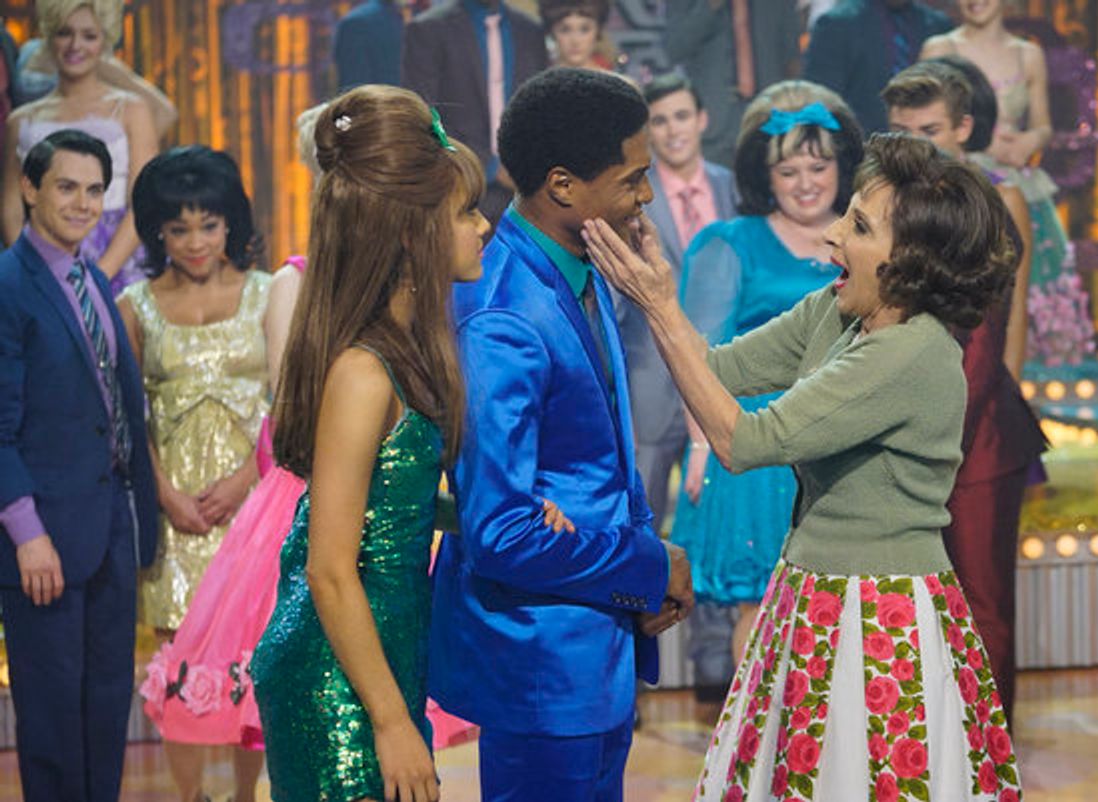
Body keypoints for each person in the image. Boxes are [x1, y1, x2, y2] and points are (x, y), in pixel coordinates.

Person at [586, 133, 1022, 799]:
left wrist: (658, 305)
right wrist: (663, 299)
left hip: (877, 613)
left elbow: (743, 441)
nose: (832, 236)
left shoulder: (911, 353)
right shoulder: (840, 313)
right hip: (812, 590)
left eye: (859, 226)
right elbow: (718, 368)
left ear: (910, 260)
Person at [429, 68, 694, 802]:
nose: (647, 196)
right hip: (542, 665)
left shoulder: (583, 264)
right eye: (633, 178)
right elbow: (502, 533)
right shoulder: (503, 315)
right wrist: (646, 566)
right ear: (564, 186)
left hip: (594, 650)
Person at [248, 84, 498, 802]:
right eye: (465, 212)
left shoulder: (405, 350)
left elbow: (393, 504)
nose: (483, 226)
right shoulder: (363, 372)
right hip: (335, 680)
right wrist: (390, 724)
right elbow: (329, 569)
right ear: (411, 233)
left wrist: (485, 515)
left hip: (380, 660)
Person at [672, 80, 863, 671]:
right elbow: (698, 357)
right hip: (762, 450)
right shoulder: (730, 243)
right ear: (764, 174)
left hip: (850, 440)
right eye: (788, 171)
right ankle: (760, 731)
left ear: (842, 166)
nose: (806, 183)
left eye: (818, 166)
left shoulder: (867, 237)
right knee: (763, 612)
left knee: (848, 614)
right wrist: (701, 446)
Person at [883, 57, 1046, 721]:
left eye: (928, 131)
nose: (915, 146)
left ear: (963, 129)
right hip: (915, 438)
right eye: (901, 132)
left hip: (973, 444)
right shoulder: (897, 206)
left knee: (981, 607)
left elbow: (981, 348)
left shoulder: (985, 209)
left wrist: (929, 446)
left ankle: (988, 755)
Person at [0, 129, 158, 802]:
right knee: (52, 717)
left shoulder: (90, 276)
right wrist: (27, 533)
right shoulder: (9, 285)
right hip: (43, 537)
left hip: (109, 525)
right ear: (30, 188)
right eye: (66, 187)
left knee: (105, 705)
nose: (83, 204)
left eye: (95, 190)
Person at [117, 146, 269, 635]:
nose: (196, 243)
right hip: (175, 518)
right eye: (179, 229)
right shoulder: (133, 307)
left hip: (258, 505)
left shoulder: (270, 293)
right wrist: (165, 495)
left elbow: (294, 404)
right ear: (158, 231)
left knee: (257, 657)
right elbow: (126, 418)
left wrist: (246, 480)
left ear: (230, 223)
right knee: (178, 668)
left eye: (209, 225)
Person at [621, 72, 738, 699]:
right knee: (640, 517)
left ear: (702, 119)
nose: (672, 131)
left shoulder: (731, 186)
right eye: (659, 121)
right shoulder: (632, 193)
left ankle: (716, 663)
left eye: (681, 116)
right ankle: (632, 664)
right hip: (649, 381)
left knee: (717, 512)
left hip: (721, 375)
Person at [920, 0, 1094, 366]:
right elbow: (923, 123)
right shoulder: (939, 49)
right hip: (962, 183)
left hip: (1016, 180)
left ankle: (1016, 383)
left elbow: (1043, 125)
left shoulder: (1028, 54)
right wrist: (982, 143)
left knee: (1025, 292)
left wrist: (1030, 141)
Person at [2, 0, 176, 295]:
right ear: (49, 36)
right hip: (41, 263)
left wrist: (99, 275)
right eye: (64, 33)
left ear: (105, 41)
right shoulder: (21, 120)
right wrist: (32, 273)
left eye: (89, 36)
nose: (75, 45)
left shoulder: (132, 110)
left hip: (121, 263)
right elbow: (11, 209)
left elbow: (143, 203)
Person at [403, 0, 548, 223]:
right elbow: (422, 116)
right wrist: (491, 167)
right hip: (459, 188)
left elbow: (540, 109)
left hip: (525, 193)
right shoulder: (428, 29)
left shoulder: (530, 30)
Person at [664, 0, 802, 168]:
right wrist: (709, 7)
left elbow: (792, 57)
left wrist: (792, 113)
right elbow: (674, 48)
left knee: (763, 181)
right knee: (713, 183)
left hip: (768, 118)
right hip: (712, 122)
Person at [803, 0, 951, 134]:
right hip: (862, 145)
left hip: (924, 147)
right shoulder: (836, 24)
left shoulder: (938, 25)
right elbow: (821, 99)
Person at [539, 0, 616, 70]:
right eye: (565, 30)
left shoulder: (615, 79)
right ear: (552, 32)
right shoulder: (539, 79)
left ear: (598, 30)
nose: (575, 41)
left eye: (584, 29)